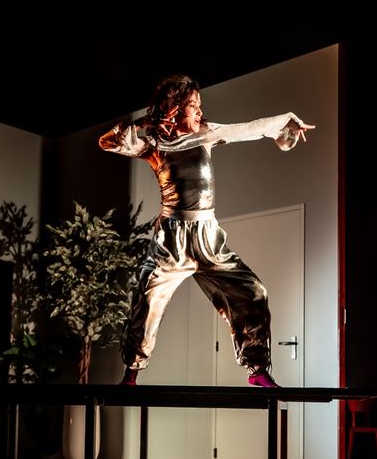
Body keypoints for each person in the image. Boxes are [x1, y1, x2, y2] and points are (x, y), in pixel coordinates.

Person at [98, 74, 314, 387]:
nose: (199, 110)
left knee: (253, 293)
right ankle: (131, 373)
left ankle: (257, 370)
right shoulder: (155, 144)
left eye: (200, 104)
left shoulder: (206, 133)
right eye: (192, 105)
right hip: (172, 241)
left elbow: (248, 129)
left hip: (208, 238)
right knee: (147, 301)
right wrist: (145, 122)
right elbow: (110, 142)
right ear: (173, 108)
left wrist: (286, 123)